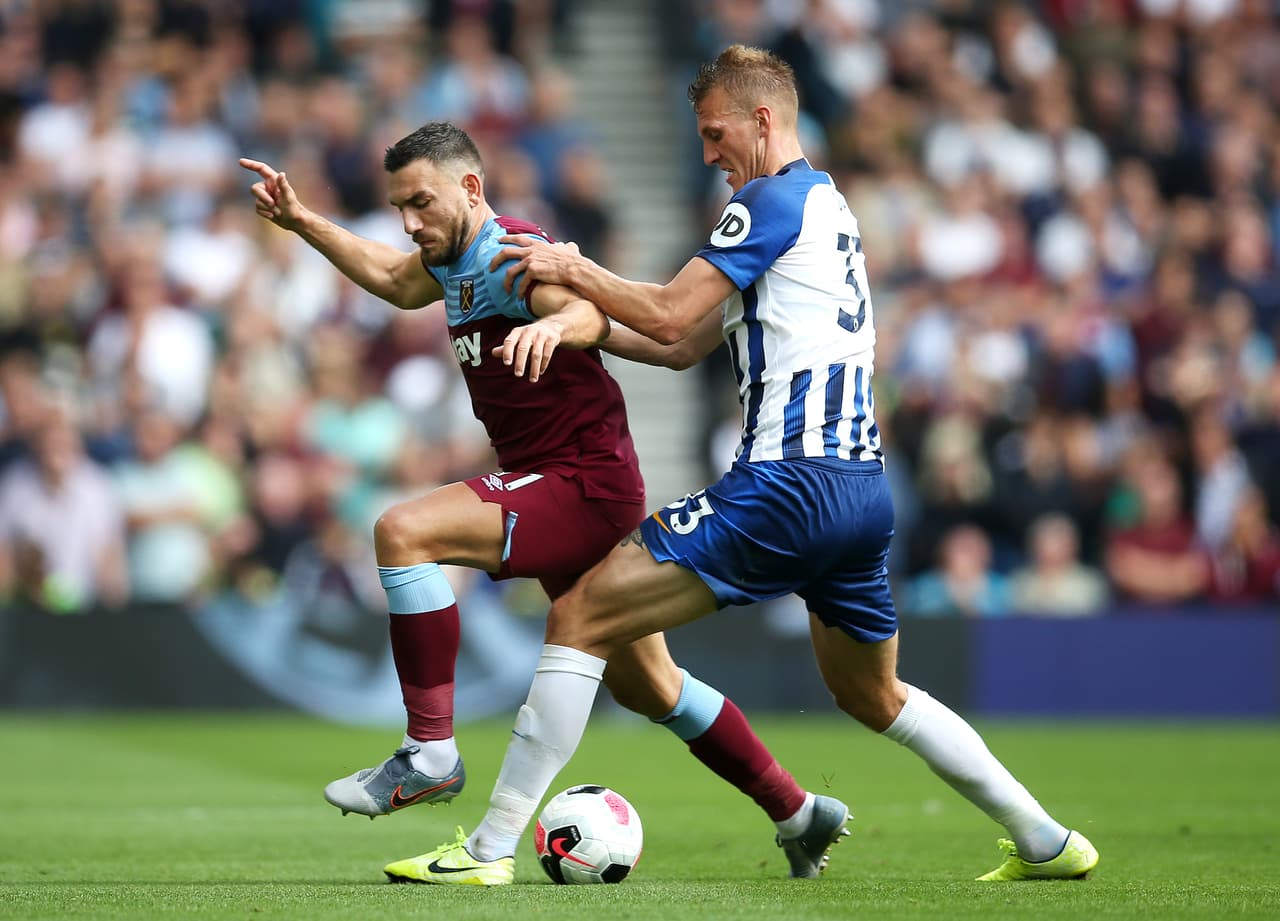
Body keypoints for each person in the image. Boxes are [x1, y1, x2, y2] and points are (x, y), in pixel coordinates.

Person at [385, 46, 1100, 885]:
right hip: (861, 489)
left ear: (764, 120)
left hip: (785, 485)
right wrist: (571, 326)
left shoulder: (768, 199)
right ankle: (1048, 839)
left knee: (580, 616)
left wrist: (572, 269)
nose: (708, 154)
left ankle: (487, 850)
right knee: (875, 695)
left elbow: (665, 307)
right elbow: (683, 344)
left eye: (715, 133)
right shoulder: (830, 206)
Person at [239, 122, 843, 881]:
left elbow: (588, 311)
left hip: (577, 481)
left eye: (421, 203)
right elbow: (395, 281)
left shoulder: (508, 250)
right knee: (651, 684)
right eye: (399, 208)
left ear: (470, 188)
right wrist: (303, 221)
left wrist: (558, 324)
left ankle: (429, 752)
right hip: (576, 483)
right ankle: (798, 809)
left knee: (403, 531)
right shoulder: (449, 259)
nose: (409, 223)